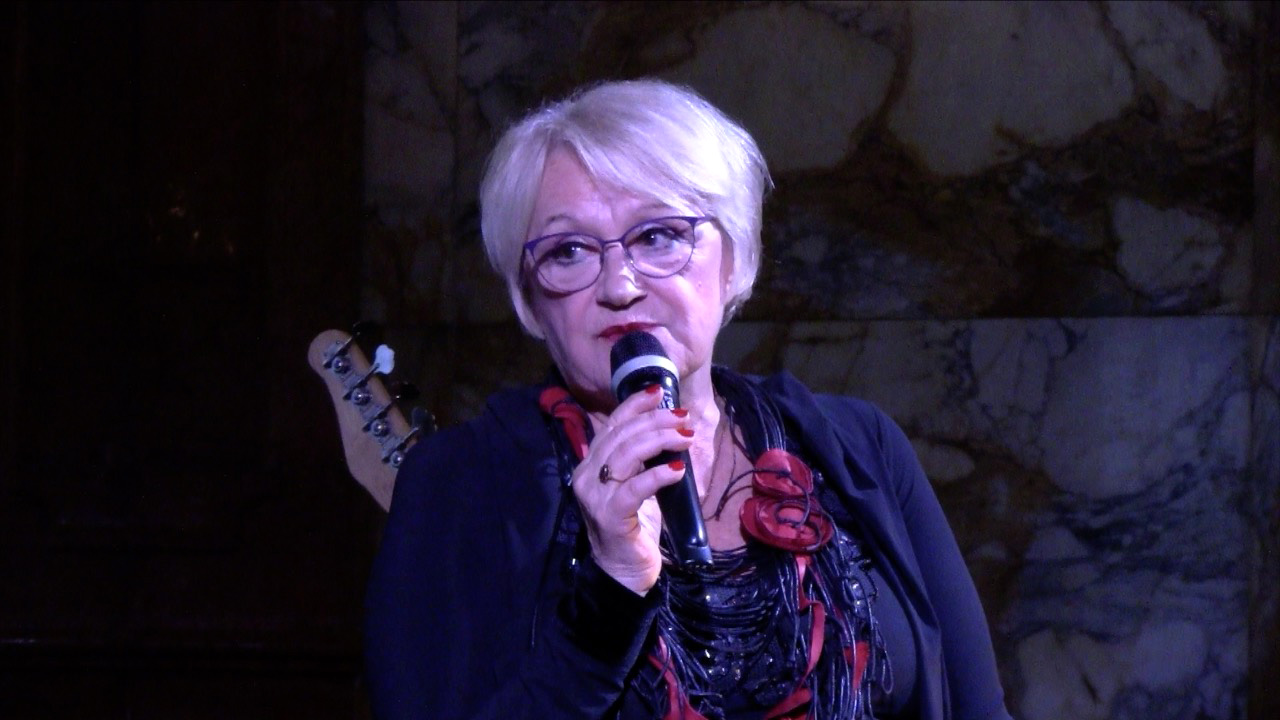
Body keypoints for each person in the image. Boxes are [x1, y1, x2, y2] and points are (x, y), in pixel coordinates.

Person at [363, 78, 1013, 720]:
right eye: (569, 250)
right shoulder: (458, 483)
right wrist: (610, 596)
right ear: (529, 300)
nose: (619, 285)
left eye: (658, 236)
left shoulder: (857, 448)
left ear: (735, 260)